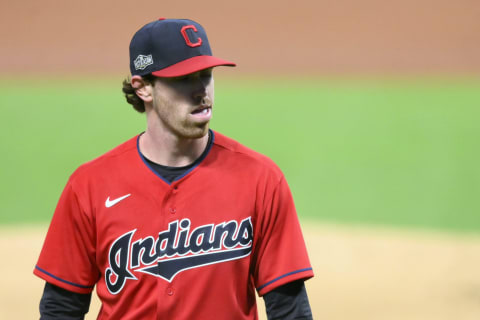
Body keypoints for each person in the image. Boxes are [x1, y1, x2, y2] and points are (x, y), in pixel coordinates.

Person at [34, 18, 314, 319]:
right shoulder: (89, 186)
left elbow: (290, 309)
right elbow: (61, 308)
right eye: (183, 79)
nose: (201, 91)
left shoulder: (261, 179)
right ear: (143, 88)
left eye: (205, 76)